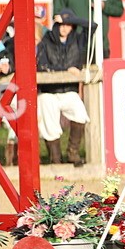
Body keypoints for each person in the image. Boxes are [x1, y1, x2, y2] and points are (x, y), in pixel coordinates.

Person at [36, 9, 91, 166]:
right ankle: (56, 159)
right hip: (49, 91)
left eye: (68, 25)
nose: (64, 28)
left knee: (80, 114)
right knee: (49, 123)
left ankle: (72, 153)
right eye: (61, 24)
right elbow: (42, 66)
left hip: (68, 90)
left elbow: (92, 26)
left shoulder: (78, 39)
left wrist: (72, 18)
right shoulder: (46, 41)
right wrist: (65, 70)